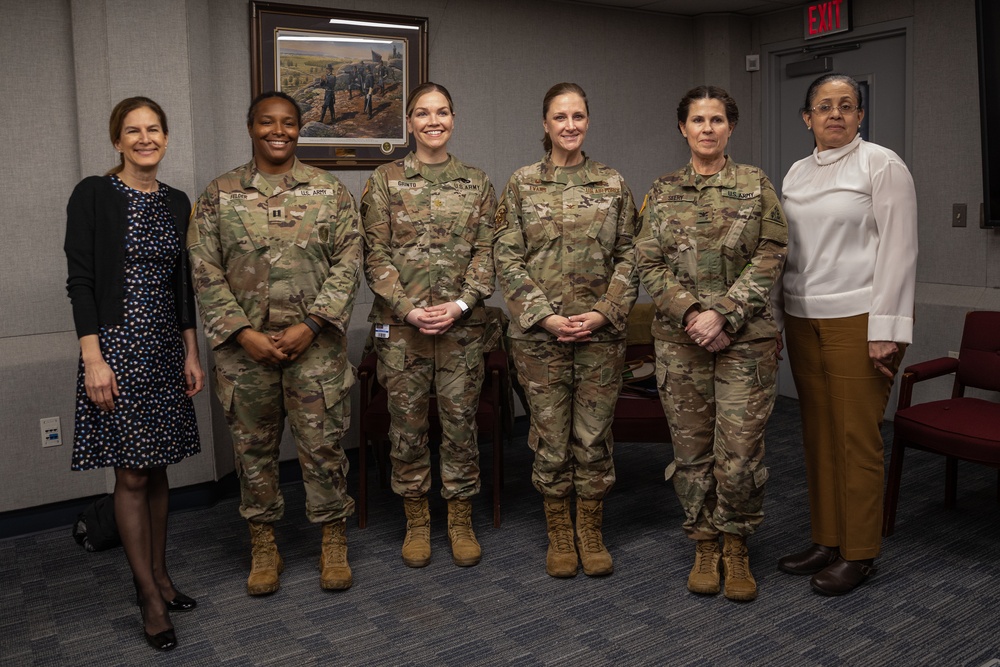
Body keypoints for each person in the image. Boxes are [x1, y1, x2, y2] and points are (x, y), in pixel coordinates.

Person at [187, 91, 362, 596]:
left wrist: (312, 324)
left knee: (324, 448)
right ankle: (263, 545)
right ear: (251, 128)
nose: (278, 130)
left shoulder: (330, 192)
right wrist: (243, 333)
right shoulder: (219, 195)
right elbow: (204, 267)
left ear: (299, 129)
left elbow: (350, 264)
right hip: (246, 355)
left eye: (287, 122)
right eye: (267, 122)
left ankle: (333, 540)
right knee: (253, 453)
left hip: (316, 350)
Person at [635, 86, 788, 602]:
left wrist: (723, 313)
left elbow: (771, 254)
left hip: (746, 342)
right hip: (680, 343)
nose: (707, 128)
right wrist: (693, 313)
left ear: (730, 127)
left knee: (740, 453)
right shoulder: (660, 192)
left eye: (717, 120)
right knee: (693, 452)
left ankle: (737, 543)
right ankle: (704, 541)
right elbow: (648, 263)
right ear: (683, 128)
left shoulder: (755, 185)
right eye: (697, 120)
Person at [64, 96, 203, 651]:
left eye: (154, 130)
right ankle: (146, 594)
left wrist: (191, 351)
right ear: (117, 141)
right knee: (132, 476)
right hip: (116, 348)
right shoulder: (94, 194)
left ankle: (163, 576)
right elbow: (80, 281)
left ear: (166, 138)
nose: (144, 138)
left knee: (159, 468)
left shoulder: (176, 201)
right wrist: (92, 358)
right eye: (132, 131)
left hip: (166, 347)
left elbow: (182, 286)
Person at [775, 73, 917, 596]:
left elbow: (900, 250)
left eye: (847, 106)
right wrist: (776, 318)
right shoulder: (795, 172)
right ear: (806, 117)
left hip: (861, 320)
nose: (836, 114)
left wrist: (887, 331)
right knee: (817, 434)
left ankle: (859, 553)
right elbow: (785, 253)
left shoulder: (882, 164)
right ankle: (826, 539)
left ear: (860, 116)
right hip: (804, 316)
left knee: (856, 437)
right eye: (824, 106)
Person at [495, 82, 638, 578]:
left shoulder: (613, 183)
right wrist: (546, 316)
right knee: (551, 438)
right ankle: (559, 530)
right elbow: (506, 258)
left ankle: (590, 529)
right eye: (560, 117)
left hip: (599, 337)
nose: (570, 125)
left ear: (588, 120)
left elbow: (631, 256)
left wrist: (602, 312)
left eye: (578, 115)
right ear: (545, 124)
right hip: (540, 338)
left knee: (594, 437)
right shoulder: (520, 184)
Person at [360, 82, 496, 568]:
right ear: (410, 123)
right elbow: (372, 254)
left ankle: (460, 519)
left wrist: (460, 304)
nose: (433, 121)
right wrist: (408, 309)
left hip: (461, 329)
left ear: (453, 119)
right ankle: (417, 521)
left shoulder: (477, 183)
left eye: (442, 112)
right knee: (408, 426)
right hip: (402, 331)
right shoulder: (384, 181)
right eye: (422, 113)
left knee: (461, 425)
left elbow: (488, 253)